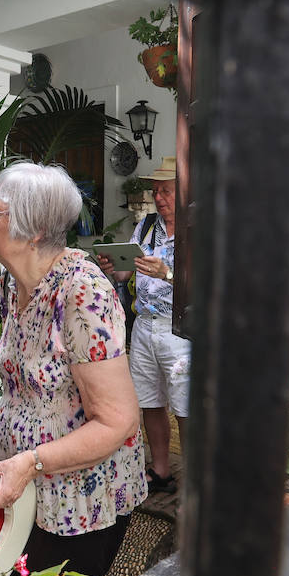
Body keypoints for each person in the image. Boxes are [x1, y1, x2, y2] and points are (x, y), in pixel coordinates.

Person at [0, 162, 146, 576]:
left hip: (77, 499)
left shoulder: (82, 292)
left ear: (33, 232)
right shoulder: (13, 282)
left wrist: (30, 462)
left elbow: (118, 421)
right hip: (27, 488)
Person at [95, 156, 188, 493]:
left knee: (185, 406)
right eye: (156, 191)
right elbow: (125, 272)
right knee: (150, 401)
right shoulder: (147, 226)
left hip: (181, 330)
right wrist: (111, 265)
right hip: (144, 326)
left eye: (165, 191)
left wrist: (168, 274)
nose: (158, 197)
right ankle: (161, 469)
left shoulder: (200, 229)